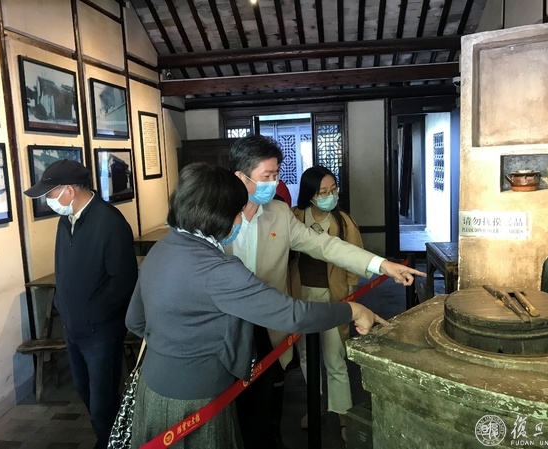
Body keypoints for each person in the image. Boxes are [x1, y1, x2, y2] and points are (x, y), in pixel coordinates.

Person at [124, 162, 388, 449]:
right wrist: (352, 310)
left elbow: (135, 320)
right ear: (216, 213)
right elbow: (293, 315)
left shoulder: (164, 247)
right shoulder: (220, 269)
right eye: (238, 211)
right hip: (198, 399)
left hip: (152, 387)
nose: (242, 218)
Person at [226, 135, 425, 449]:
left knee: (270, 398)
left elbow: (325, 246)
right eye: (267, 176)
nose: (275, 183)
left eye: (277, 174)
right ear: (241, 176)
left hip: (269, 325)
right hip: (228, 325)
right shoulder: (218, 214)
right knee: (232, 406)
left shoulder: (279, 213)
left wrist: (381, 264)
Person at [23, 159, 138, 449]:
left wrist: (93, 313)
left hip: (101, 330)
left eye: (51, 194)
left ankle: (111, 442)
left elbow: (124, 280)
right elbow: (63, 269)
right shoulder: (66, 220)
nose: (49, 201)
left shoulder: (110, 222)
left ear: (70, 190)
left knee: (102, 398)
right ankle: (109, 437)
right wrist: (64, 306)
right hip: (73, 327)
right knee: (84, 389)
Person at [291, 165, 363, 441]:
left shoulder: (343, 222)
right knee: (306, 356)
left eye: (333, 190)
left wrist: (351, 295)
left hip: (334, 296)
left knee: (335, 357)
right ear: (310, 195)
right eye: (323, 192)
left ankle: (343, 413)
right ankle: (316, 404)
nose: (330, 195)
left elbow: (354, 260)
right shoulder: (295, 217)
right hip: (301, 295)